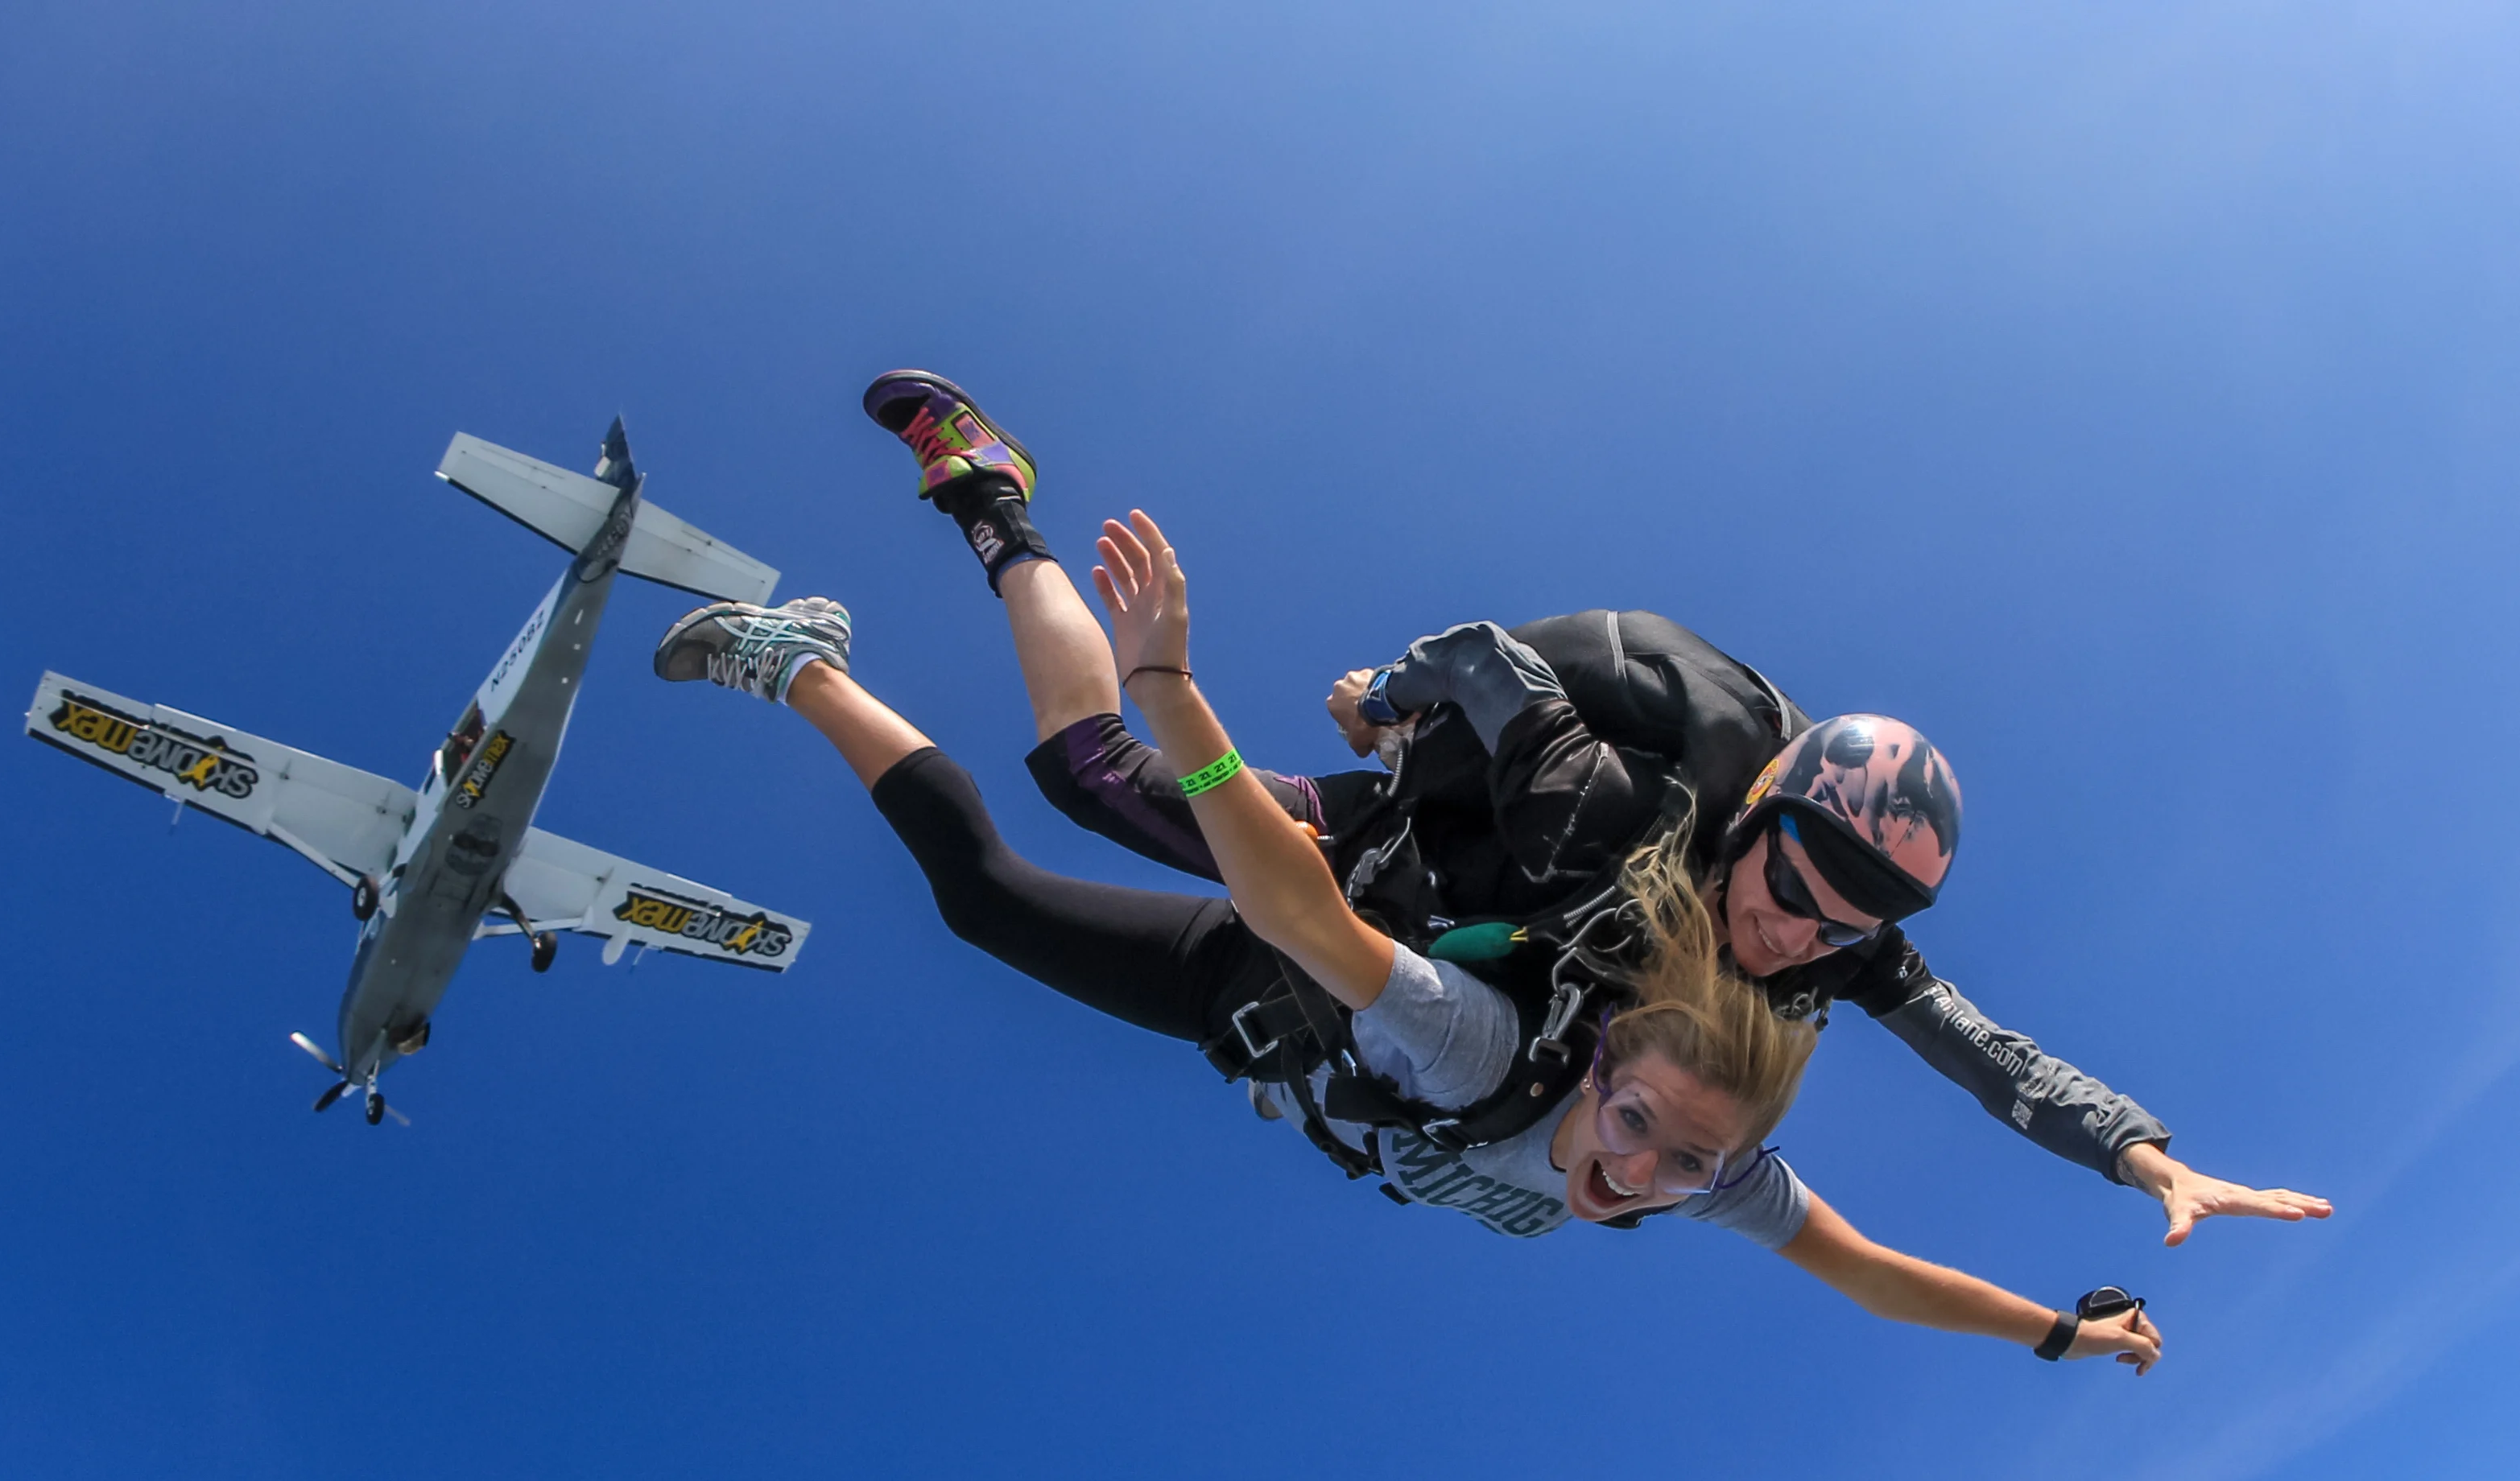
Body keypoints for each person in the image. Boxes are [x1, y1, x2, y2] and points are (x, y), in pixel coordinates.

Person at [647, 509, 2164, 1374]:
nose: (1634, 1177)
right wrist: (1341, 700)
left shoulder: (1724, 1128)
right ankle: (968, 541)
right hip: (1356, 896)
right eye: (1636, 1130)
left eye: (1679, 1170)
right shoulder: (1581, 881)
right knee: (1083, 780)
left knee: (988, 894)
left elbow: (1887, 1249)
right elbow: (1320, 883)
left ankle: (829, 656)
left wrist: (2099, 1244)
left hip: (1279, 1023)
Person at [850, 369, 2330, 1250]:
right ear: (1764, 805)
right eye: (1798, 883)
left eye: (1854, 925)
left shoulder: (1829, 944)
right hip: (1399, 847)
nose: (1793, 936)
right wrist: (1392, 704)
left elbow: (1986, 1055)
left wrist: (2146, 1155)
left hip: (1434, 967)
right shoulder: (1678, 722)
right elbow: (1497, 660)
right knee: (1090, 772)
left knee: (1073, 852)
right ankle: (993, 504)